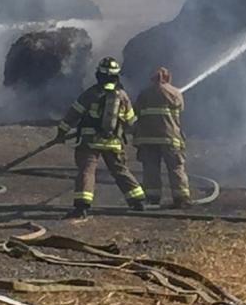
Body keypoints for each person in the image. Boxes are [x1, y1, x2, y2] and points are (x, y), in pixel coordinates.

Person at [55, 57, 145, 218]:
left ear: (99, 74)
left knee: (87, 171)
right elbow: (131, 121)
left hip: (90, 142)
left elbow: (73, 114)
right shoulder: (122, 96)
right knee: (120, 170)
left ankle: (82, 206)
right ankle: (137, 200)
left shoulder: (91, 93)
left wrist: (62, 132)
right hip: (114, 142)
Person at [134, 66, 192, 208]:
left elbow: (136, 113)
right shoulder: (175, 93)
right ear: (168, 77)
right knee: (176, 168)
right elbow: (180, 108)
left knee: (150, 169)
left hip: (147, 139)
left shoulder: (144, 94)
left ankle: (152, 198)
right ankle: (181, 198)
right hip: (170, 138)